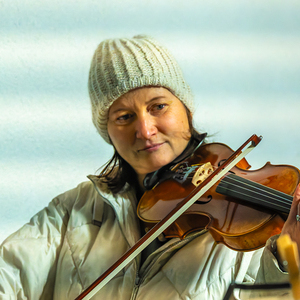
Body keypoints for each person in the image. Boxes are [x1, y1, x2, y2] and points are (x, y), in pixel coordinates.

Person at [0, 35, 299, 300]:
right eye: (124, 116)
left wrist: (287, 261)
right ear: (108, 131)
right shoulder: (72, 211)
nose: (145, 130)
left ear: (186, 108)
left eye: (158, 106)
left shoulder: (255, 230)